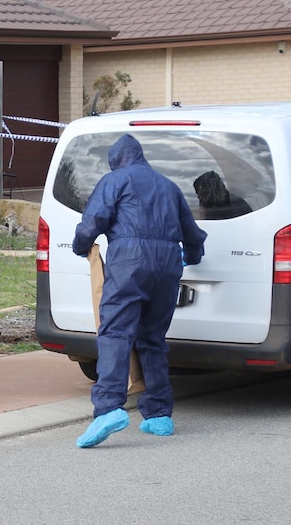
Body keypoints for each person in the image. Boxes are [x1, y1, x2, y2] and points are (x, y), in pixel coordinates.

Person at [71, 133, 207, 447]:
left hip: (129, 262)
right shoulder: (169, 186)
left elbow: (93, 222)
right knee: (153, 338)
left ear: (116, 159)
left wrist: (81, 247)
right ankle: (159, 415)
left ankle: (109, 409)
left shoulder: (115, 180)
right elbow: (193, 234)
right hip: (168, 264)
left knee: (116, 333)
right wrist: (194, 256)